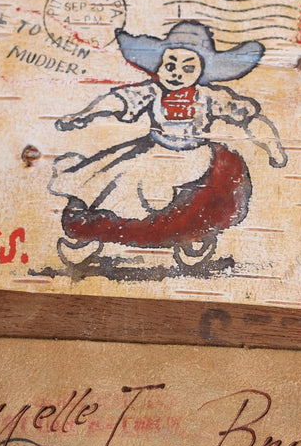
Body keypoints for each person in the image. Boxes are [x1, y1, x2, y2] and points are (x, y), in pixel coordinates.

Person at [49, 20, 287, 270]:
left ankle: (183, 232)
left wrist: (273, 149)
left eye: (188, 67)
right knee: (107, 174)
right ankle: (90, 228)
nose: (177, 73)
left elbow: (249, 119)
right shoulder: (152, 92)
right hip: (153, 148)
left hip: (193, 154)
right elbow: (118, 101)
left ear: (201, 71)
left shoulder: (209, 97)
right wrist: (84, 115)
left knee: (148, 185)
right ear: (160, 66)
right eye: (170, 65)